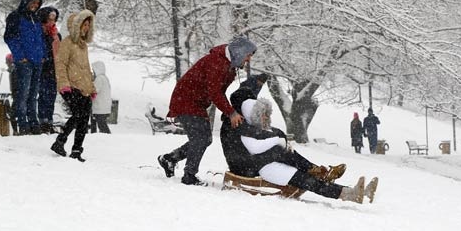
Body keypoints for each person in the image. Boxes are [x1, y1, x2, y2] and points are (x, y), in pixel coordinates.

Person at [235, 97, 379, 203]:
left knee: (309, 176)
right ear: (252, 115)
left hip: (279, 164)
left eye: (267, 113)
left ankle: (349, 189)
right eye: (263, 114)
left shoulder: (263, 129)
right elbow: (255, 148)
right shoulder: (247, 131)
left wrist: (280, 142)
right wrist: (278, 141)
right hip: (268, 168)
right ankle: (346, 190)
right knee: (310, 181)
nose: (267, 117)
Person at [157, 36, 257, 185]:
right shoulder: (217, 63)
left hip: (195, 103)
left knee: (204, 139)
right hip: (186, 100)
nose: (248, 59)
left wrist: (229, 111)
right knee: (201, 139)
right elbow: (215, 92)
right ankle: (189, 176)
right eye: (248, 55)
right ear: (239, 52)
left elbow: (218, 92)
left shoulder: (228, 66)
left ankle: (170, 159)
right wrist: (230, 113)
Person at [50, 10, 96, 162]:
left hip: (84, 88)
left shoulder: (83, 46)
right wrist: (64, 85)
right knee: (77, 115)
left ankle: (76, 150)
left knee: (84, 119)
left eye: (89, 25)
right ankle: (60, 141)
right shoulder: (67, 43)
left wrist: (92, 88)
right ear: (77, 26)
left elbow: (86, 68)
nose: (86, 28)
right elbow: (60, 64)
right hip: (71, 86)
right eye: (84, 24)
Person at [3, 0, 45, 135]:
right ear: (26, 0)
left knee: (33, 94)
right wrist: (20, 56)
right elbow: (10, 37)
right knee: (23, 94)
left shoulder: (36, 18)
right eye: (33, 2)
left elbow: (40, 39)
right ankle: (22, 123)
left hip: (37, 61)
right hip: (24, 62)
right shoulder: (15, 16)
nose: (35, 5)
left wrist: (43, 54)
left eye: (38, 3)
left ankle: (34, 122)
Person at [37, 6, 61, 134]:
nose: (52, 21)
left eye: (54, 18)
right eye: (49, 18)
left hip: (54, 70)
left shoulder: (57, 35)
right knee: (43, 95)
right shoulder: (39, 32)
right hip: (42, 69)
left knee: (51, 96)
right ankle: (42, 122)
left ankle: (49, 121)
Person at [90, 61, 112, 134]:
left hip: (100, 107)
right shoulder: (105, 78)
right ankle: (97, 135)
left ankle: (108, 137)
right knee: (101, 123)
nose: (92, 72)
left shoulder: (99, 79)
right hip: (104, 107)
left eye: (93, 70)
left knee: (102, 125)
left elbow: (94, 90)